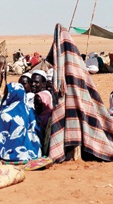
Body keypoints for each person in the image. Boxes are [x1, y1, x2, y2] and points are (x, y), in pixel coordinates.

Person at [46, 23, 113, 162]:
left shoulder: (69, 61)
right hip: (72, 97)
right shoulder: (73, 60)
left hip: (71, 97)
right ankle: (72, 152)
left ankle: (75, 152)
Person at [0, 83, 41, 162]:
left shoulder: (4, 114)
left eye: (6, 94)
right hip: (33, 154)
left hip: (9, 156)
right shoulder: (30, 111)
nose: (4, 96)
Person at [34, 90, 53, 155]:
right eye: (35, 104)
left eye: (39, 104)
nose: (36, 106)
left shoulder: (51, 118)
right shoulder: (34, 116)